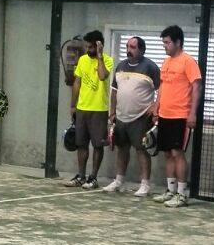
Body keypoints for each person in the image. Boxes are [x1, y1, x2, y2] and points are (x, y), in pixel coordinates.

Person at [103, 35, 160, 197]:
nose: (129, 50)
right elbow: (114, 92)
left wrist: (155, 106)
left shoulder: (150, 67)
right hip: (121, 116)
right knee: (122, 149)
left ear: (142, 50)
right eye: (127, 46)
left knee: (141, 150)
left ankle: (145, 185)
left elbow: (162, 89)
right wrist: (112, 112)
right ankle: (118, 181)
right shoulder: (120, 66)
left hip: (141, 117)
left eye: (133, 47)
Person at [152, 24, 202, 208]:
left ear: (178, 42)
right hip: (164, 114)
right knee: (167, 153)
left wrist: (192, 113)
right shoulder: (166, 62)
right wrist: (156, 107)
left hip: (180, 115)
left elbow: (197, 87)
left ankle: (182, 195)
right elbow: (162, 86)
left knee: (177, 152)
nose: (164, 46)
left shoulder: (188, 61)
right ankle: (170, 191)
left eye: (167, 43)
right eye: (163, 43)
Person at [64, 30, 114, 190]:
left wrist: (99, 56)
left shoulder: (107, 60)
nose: (88, 49)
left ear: (99, 46)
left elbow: (102, 76)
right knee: (81, 144)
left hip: (99, 109)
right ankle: (80, 176)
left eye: (91, 47)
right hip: (82, 108)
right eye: (87, 46)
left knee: (98, 145)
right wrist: (73, 105)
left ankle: (93, 178)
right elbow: (77, 83)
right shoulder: (83, 60)